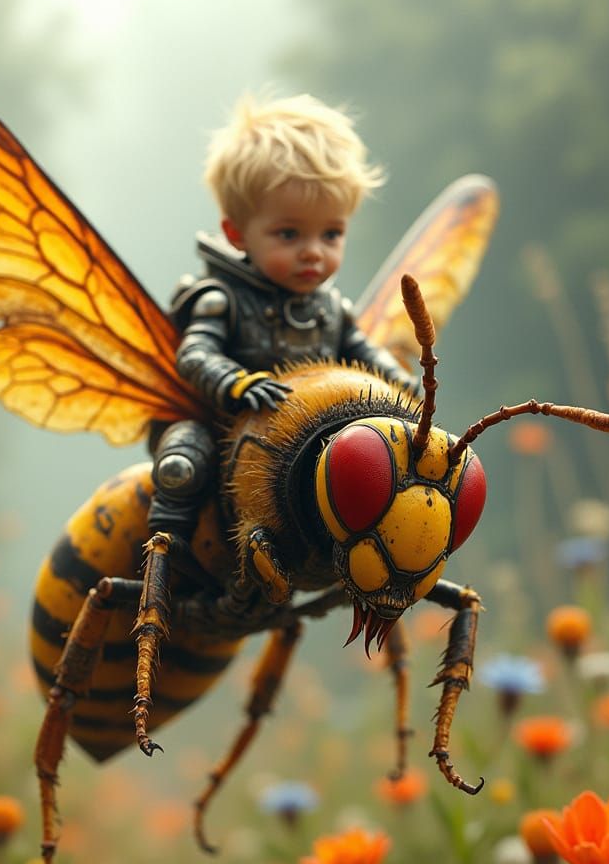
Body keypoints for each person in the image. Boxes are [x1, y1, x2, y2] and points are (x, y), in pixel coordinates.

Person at [148, 93, 415, 551]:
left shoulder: (330, 308)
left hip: (309, 438)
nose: (314, 250)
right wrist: (236, 383)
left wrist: (398, 380)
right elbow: (195, 355)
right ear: (236, 233)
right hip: (225, 430)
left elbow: (364, 352)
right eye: (289, 234)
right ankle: (163, 570)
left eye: (331, 233)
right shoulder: (219, 299)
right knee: (182, 464)